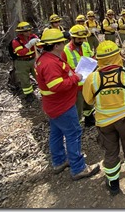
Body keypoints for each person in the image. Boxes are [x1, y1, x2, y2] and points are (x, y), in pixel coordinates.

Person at [35, 28, 100, 180]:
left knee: (56, 133)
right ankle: (78, 168)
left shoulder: (46, 58)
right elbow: (56, 85)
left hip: (54, 106)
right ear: (56, 45)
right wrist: (76, 78)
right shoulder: (50, 63)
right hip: (61, 106)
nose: (64, 44)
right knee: (73, 134)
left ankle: (59, 161)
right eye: (61, 42)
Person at [82, 41, 125, 196]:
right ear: (117, 56)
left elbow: (88, 101)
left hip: (105, 122)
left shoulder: (92, 79)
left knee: (110, 152)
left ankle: (113, 183)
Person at [62, 25, 95, 127]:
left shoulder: (86, 45)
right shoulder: (65, 50)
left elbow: (91, 56)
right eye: (79, 38)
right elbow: (64, 67)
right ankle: (77, 125)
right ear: (72, 37)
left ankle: (89, 119)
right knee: (78, 106)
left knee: (89, 102)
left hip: (88, 80)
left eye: (83, 38)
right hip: (76, 83)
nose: (81, 40)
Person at [11, 22, 40, 103]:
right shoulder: (15, 41)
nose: (28, 32)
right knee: (24, 80)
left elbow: (40, 46)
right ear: (21, 32)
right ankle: (29, 94)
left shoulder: (33, 36)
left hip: (33, 60)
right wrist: (29, 44)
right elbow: (21, 52)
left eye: (29, 30)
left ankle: (44, 90)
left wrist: (39, 42)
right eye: (26, 31)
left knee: (39, 75)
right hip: (21, 62)